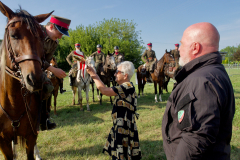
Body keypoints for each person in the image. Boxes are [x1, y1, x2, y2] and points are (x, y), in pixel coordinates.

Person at [162, 22, 235, 160]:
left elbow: (194, 139)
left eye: (182, 44)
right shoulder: (213, 72)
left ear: (195, 47)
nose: (179, 50)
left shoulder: (201, 81)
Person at [86, 61, 142, 160]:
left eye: (117, 71)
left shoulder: (127, 86)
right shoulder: (126, 87)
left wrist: (93, 74)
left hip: (124, 126)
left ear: (125, 76)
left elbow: (104, 91)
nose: (115, 73)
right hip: (122, 124)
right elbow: (105, 89)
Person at [40, 15, 71, 130]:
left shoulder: (54, 43)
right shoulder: (34, 32)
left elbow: (46, 61)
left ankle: (44, 118)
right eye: (60, 33)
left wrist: (52, 69)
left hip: (39, 69)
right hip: (20, 66)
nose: (61, 37)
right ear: (51, 26)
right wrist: (53, 70)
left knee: (48, 87)